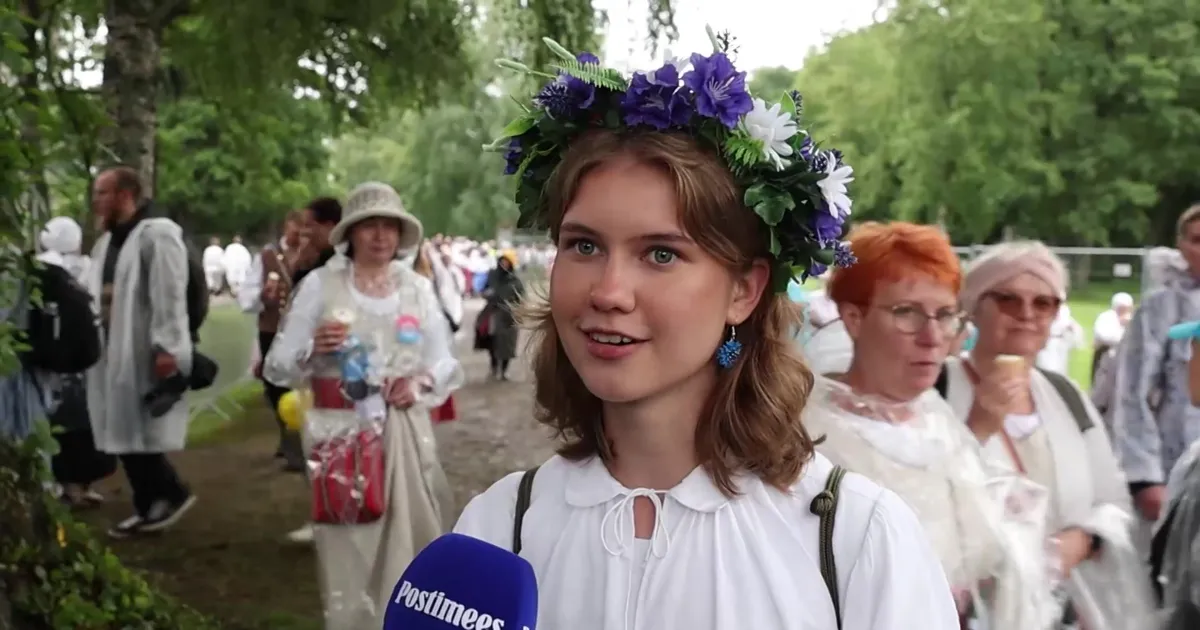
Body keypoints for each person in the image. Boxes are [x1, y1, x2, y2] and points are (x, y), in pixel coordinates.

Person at [454, 38, 957, 630]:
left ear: (744, 291)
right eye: (584, 245)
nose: (609, 291)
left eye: (661, 254)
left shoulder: (853, 540)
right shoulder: (497, 531)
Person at [264, 182, 462, 630]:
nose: (379, 235)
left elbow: (445, 361)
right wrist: (312, 350)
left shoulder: (417, 289)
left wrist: (420, 382)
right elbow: (277, 366)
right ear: (350, 233)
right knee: (350, 550)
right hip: (342, 440)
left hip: (407, 436)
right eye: (368, 225)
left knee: (415, 543)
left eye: (388, 225)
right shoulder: (320, 286)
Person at [940, 241, 1153, 628]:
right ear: (974, 307)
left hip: (1070, 609)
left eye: (1044, 303)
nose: (1026, 315)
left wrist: (1084, 540)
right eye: (1007, 299)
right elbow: (928, 502)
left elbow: (1114, 499)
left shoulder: (1066, 395)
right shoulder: (937, 389)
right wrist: (979, 426)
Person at [85, 165, 197, 538]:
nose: (96, 200)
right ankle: (148, 504)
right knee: (119, 426)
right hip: (111, 347)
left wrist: (167, 346)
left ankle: (168, 494)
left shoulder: (157, 236)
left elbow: (169, 293)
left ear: (125, 195)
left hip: (143, 347)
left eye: (103, 192)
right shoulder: (108, 242)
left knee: (141, 429)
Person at [1112, 205, 1200, 529]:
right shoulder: (1161, 306)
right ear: (1181, 245)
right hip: (1176, 466)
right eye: (1197, 239)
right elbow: (1131, 390)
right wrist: (1144, 478)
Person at [38, 216, 115, 506]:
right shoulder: (87, 268)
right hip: (85, 358)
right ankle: (76, 484)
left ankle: (70, 484)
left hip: (57, 362)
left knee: (65, 422)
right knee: (82, 423)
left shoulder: (42, 269)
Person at [239, 210, 305, 470]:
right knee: (274, 386)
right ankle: (286, 436)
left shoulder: (312, 257)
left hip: (301, 332)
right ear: (285, 227)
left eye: (304, 230)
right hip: (271, 329)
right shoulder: (266, 257)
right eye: (295, 228)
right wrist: (264, 297)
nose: (299, 234)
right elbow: (247, 297)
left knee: (299, 384)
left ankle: (296, 441)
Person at [479, 250, 524, 380]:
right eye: (502, 262)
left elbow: (521, 298)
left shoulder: (516, 281)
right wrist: (487, 294)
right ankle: (494, 368)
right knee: (492, 343)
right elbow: (484, 290)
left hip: (509, 317)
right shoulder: (493, 276)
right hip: (493, 314)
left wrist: (517, 311)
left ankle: (504, 371)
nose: (504, 265)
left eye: (506, 263)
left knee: (507, 346)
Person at [292, 197, 342, 287]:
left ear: (329, 227)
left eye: (308, 225)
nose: (303, 231)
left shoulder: (337, 264)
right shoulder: (320, 258)